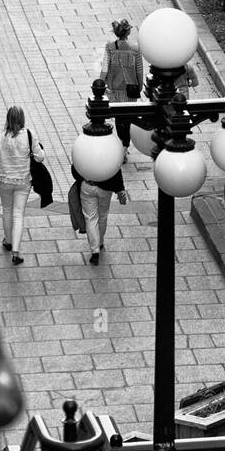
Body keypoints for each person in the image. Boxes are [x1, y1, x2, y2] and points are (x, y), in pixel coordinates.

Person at [0, 106, 45, 266]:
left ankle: (8, 241)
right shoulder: (29, 135)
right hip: (23, 181)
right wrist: (40, 150)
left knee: (7, 210)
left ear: (8, 118)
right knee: (18, 214)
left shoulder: (0, 137)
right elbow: (40, 158)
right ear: (22, 118)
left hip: (4, 181)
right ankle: (16, 252)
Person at [99, 19, 144, 160]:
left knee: (119, 117)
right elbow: (139, 70)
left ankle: (122, 145)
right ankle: (125, 145)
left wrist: (101, 83)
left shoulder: (110, 47)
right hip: (130, 88)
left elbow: (105, 67)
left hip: (114, 87)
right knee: (128, 117)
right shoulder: (135, 48)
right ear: (128, 31)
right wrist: (140, 86)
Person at [70, 161, 125, 266]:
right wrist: (120, 189)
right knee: (103, 216)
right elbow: (116, 169)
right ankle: (100, 243)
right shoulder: (108, 150)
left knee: (90, 218)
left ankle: (95, 251)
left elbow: (75, 167)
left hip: (87, 186)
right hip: (105, 187)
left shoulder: (85, 149)